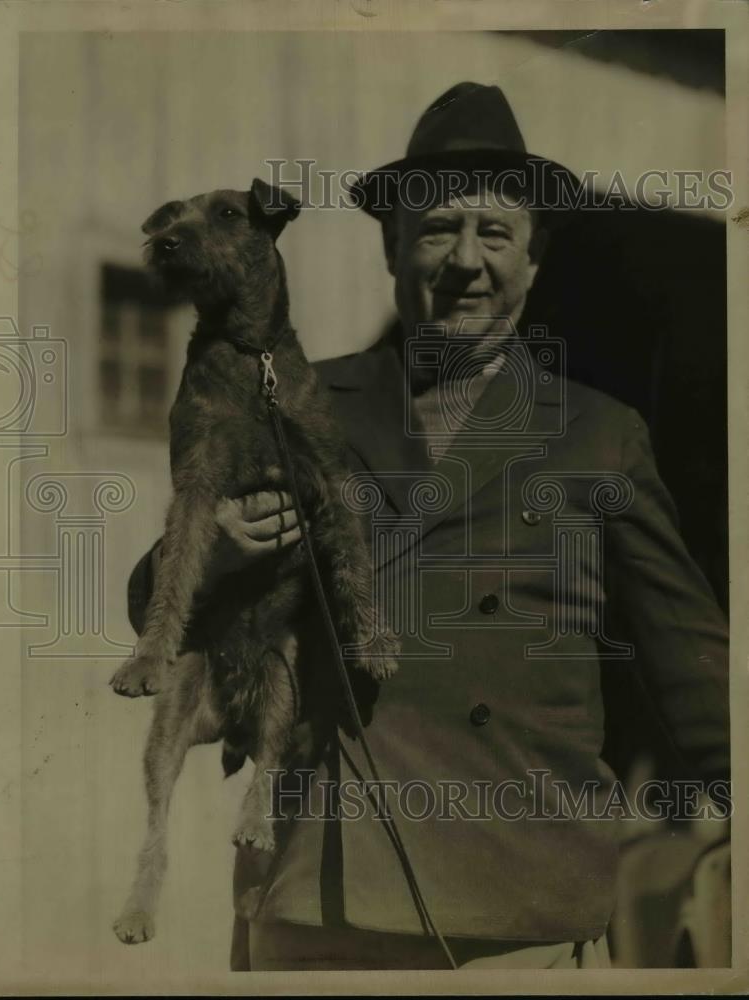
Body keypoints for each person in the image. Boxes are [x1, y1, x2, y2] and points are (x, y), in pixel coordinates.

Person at [126, 83, 729, 970]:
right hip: (324, 897)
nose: (466, 262)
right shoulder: (293, 397)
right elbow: (153, 597)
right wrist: (215, 549)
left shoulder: (602, 435)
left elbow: (696, 674)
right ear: (391, 247)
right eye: (437, 230)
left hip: (522, 905)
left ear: (534, 257)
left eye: (495, 233)